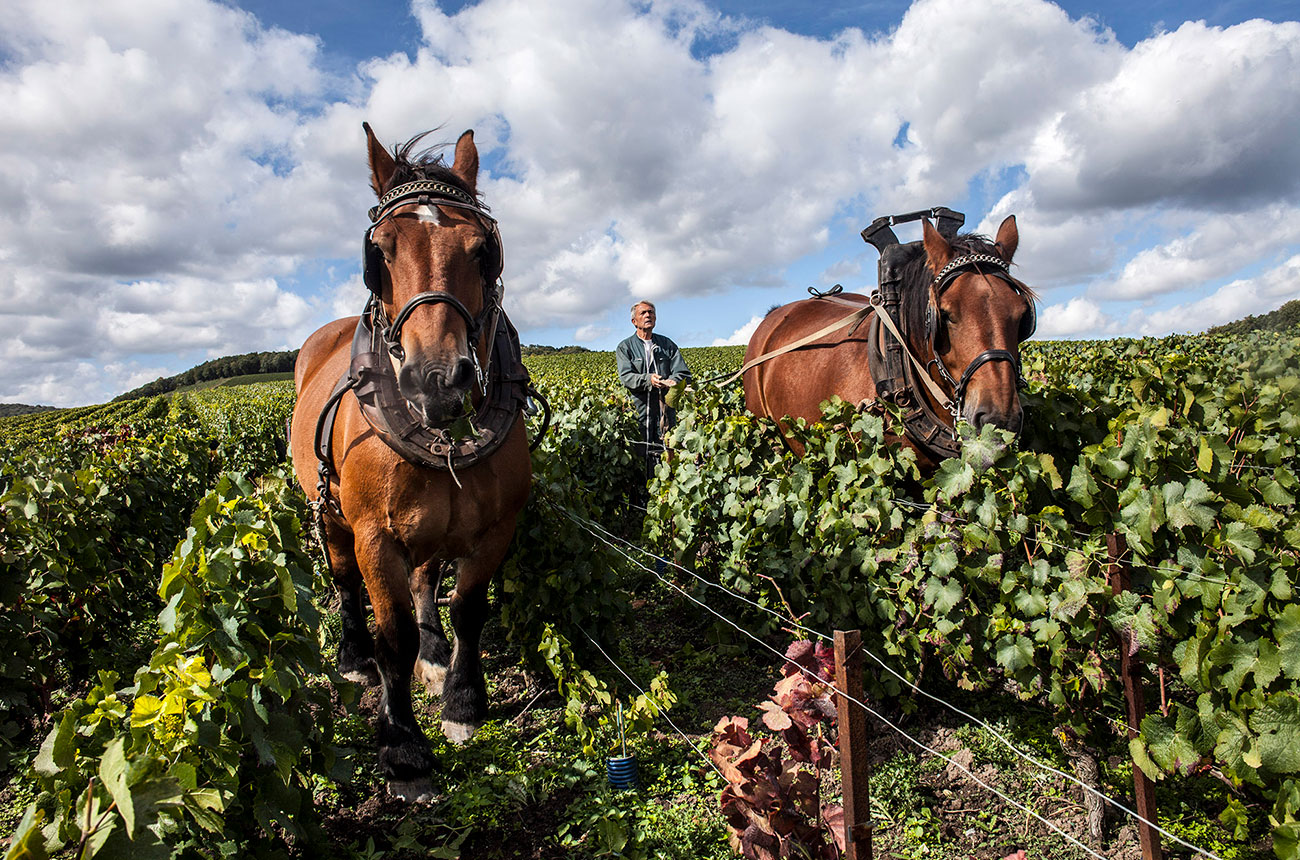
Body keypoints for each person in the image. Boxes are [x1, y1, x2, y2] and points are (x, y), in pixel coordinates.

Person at [616, 300, 691, 473]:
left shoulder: (667, 345)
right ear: (634, 321)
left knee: (667, 452)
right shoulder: (625, 347)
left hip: (666, 413)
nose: (648, 315)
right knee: (640, 454)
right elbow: (626, 377)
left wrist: (672, 381)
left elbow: (683, 373)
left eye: (651, 312)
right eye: (643, 313)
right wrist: (648, 380)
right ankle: (641, 493)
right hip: (640, 411)